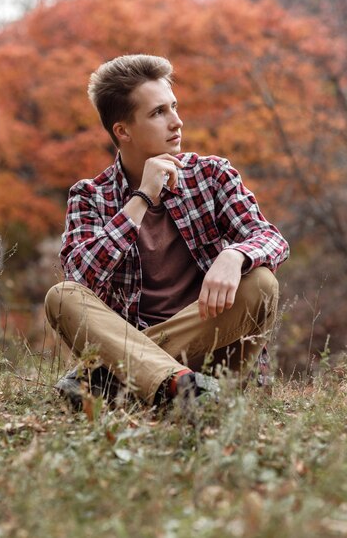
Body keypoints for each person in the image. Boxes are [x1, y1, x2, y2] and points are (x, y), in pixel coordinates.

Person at [45, 54, 290, 410]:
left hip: (215, 359)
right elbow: (81, 277)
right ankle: (175, 385)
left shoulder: (211, 175)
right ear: (123, 131)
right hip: (179, 374)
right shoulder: (89, 195)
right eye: (158, 113)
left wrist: (234, 255)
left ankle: (113, 380)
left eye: (174, 107)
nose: (177, 122)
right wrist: (141, 197)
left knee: (263, 283)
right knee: (61, 296)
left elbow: (270, 239)